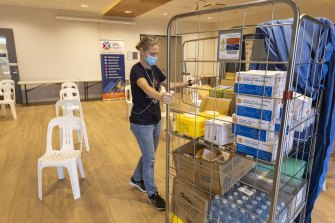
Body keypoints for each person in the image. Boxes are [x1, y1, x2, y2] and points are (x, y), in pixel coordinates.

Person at [128, 36, 202, 211]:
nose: (155, 56)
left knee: (149, 154)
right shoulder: (136, 70)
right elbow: (146, 88)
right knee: (150, 159)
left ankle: (136, 179)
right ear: (143, 52)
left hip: (155, 119)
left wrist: (191, 81)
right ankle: (152, 193)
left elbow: (170, 84)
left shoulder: (154, 69)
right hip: (141, 122)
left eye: (157, 53)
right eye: (152, 53)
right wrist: (161, 96)